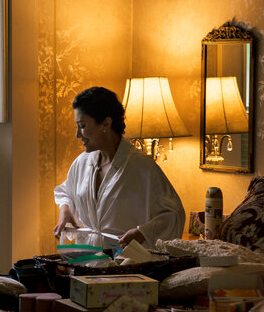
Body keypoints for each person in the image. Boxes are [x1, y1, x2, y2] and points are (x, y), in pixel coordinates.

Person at [53, 86, 185, 248]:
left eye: (82, 126)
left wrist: (142, 233)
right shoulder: (81, 164)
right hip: (84, 259)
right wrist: (65, 212)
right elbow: (66, 192)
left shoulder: (141, 167)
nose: (77, 134)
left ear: (106, 123)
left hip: (124, 264)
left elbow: (174, 215)